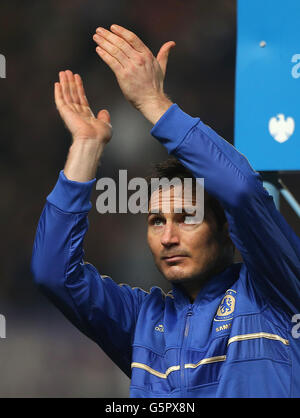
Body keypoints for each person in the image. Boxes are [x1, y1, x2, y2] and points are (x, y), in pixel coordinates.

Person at [31, 25, 300, 398]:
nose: (168, 237)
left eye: (186, 218)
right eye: (157, 221)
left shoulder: (276, 286)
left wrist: (153, 103)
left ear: (227, 229)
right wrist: (86, 146)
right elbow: (53, 274)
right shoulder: (142, 320)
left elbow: (240, 191)